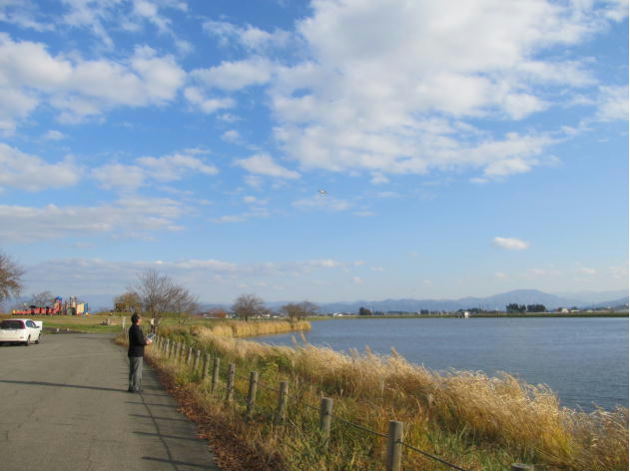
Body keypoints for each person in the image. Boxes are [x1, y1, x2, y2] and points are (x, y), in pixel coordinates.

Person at [128, 313, 152, 393]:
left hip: (132, 352)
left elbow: (137, 340)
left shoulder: (132, 328)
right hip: (137, 353)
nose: (141, 320)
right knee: (137, 371)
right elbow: (139, 341)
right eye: (140, 318)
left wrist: (144, 340)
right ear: (137, 320)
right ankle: (136, 387)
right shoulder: (136, 329)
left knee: (132, 370)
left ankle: (131, 386)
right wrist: (147, 342)